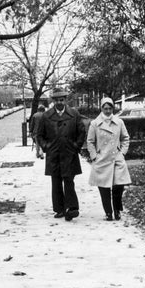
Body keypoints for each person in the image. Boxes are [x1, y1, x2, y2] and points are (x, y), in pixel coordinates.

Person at [36, 88, 86, 221]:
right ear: (53, 101)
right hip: (54, 154)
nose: (60, 102)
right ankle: (59, 209)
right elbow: (39, 135)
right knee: (56, 182)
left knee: (69, 180)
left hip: (69, 153)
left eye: (62, 99)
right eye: (57, 100)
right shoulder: (46, 116)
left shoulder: (74, 114)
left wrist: (76, 146)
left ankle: (72, 208)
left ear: (65, 100)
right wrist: (46, 147)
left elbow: (81, 132)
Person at [86, 96, 131, 221]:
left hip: (116, 158)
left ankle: (117, 210)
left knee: (118, 186)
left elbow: (125, 138)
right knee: (104, 188)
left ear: (113, 108)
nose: (107, 111)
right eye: (105, 108)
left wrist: (122, 153)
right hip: (102, 159)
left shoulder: (119, 122)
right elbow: (90, 142)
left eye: (110, 108)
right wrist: (94, 156)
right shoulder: (95, 124)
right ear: (101, 108)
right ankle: (108, 212)